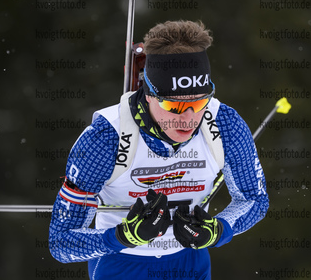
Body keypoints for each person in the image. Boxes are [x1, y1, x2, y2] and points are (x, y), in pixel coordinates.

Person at [48, 20, 269, 279]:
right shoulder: (106, 138)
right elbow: (61, 244)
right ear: (149, 93)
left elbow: (255, 199)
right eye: (175, 106)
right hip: (123, 264)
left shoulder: (225, 124)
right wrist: (121, 236)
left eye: (198, 104)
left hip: (190, 262)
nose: (188, 119)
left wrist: (218, 230)